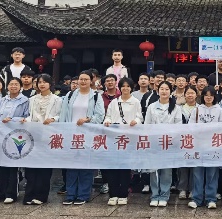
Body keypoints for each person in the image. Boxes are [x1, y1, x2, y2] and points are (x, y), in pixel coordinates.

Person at [59, 70, 105, 205]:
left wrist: (88, 119)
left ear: (91, 81)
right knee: (71, 167)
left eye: (86, 79)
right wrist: (62, 131)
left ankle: (83, 195)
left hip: (88, 135)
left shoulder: (96, 96)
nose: (83, 81)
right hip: (71, 135)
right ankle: (70, 194)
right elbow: (63, 114)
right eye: (81, 79)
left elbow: (100, 116)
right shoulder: (70, 95)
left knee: (85, 166)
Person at [0, 77, 30, 204]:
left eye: (16, 84)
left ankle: (11, 193)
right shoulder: (2, 100)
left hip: (16, 135)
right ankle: (0, 192)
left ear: (20, 87)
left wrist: (12, 120)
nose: (13, 86)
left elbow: (26, 117)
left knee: (12, 165)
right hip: (0, 134)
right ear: (7, 86)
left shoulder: (25, 100)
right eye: (11, 84)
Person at [21, 74, 62, 205]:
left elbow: (60, 115)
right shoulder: (32, 99)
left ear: (50, 84)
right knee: (30, 167)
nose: (42, 84)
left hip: (48, 135)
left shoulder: (57, 99)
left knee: (44, 167)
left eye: (45, 82)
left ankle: (41, 196)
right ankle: (29, 195)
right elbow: (30, 115)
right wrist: (26, 120)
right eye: (39, 82)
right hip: (33, 135)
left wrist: (53, 119)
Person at [103, 77, 143, 206]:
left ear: (131, 88)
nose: (125, 88)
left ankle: (123, 194)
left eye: (128, 86)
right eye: (123, 86)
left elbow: (139, 117)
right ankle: (113, 194)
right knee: (113, 167)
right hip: (114, 137)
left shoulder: (135, 102)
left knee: (125, 167)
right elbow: (108, 116)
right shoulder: (114, 102)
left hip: (128, 138)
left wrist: (136, 121)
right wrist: (107, 121)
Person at [145, 81, 183, 207]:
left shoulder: (176, 108)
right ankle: (155, 195)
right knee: (154, 170)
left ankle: (164, 196)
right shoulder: (151, 107)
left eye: (167, 89)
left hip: (169, 144)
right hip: (155, 143)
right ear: (158, 91)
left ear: (171, 91)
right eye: (162, 88)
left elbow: (178, 126)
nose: (164, 91)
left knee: (166, 171)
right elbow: (147, 125)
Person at [188, 86, 222, 209]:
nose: (208, 98)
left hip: (213, 146)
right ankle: (196, 198)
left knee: (212, 173)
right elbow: (190, 126)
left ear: (214, 97)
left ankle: (211, 198)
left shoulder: (219, 110)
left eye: (211, 95)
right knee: (197, 173)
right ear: (202, 96)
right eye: (206, 95)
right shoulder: (197, 109)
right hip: (199, 145)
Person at [178, 85, 199, 199]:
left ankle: (192, 189)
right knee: (183, 165)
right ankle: (182, 189)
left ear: (196, 95)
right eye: (188, 93)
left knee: (194, 166)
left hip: (196, 141)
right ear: (184, 95)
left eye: (192, 93)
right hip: (182, 140)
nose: (190, 95)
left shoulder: (200, 108)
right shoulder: (179, 108)